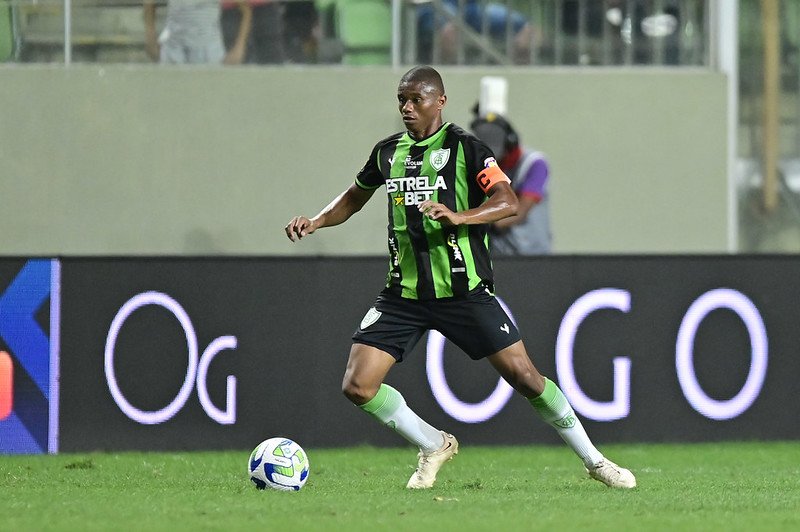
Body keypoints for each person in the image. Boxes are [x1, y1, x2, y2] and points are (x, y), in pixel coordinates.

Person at [284, 65, 636, 490]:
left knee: (526, 377)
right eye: (402, 100)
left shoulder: (467, 149)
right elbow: (355, 196)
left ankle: (595, 461)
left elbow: (507, 201)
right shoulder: (387, 152)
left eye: (417, 99)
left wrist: (459, 216)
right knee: (358, 386)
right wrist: (317, 221)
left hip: (463, 292)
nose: (407, 108)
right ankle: (433, 445)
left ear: (441, 101)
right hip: (403, 294)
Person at [471, 112, 551, 255]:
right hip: (498, 253)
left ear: (510, 142)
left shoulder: (535, 164)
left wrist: (474, 219)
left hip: (532, 254)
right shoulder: (488, 165)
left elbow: (519, 211)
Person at [416, 0, 535, 64]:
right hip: (435, 4)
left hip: (472, 7)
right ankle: (442, 76)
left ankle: (516, 75)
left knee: (526, 28)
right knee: (449, 30)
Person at [144, 0, 251, 65]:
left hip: (208, 51)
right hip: (174, 50)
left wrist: (239, 48)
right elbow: (149, 4)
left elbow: (245, 10)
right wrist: (150, 37)